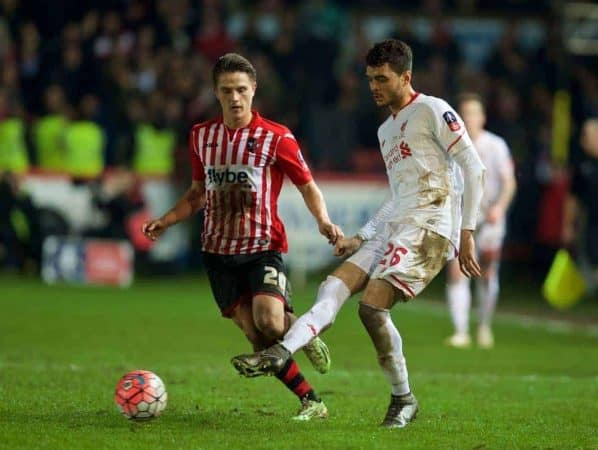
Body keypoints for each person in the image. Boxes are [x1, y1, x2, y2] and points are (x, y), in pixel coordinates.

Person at [231, 39, 486, 428]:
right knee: (332, 287)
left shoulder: (434, 110)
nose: (374, 86)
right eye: (370, 78)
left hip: (431, 227)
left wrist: (467, 230)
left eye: (382, 78)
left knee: (371, 307)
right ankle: (280, 352)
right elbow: (398, 196)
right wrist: (362, 236)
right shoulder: (387, 130)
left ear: (406, 77)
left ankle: (403, 399)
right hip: (398, 224)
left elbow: (474, 167)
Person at [142, 53, 343, 421]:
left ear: (253, 90)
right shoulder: (202, 136)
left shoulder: (276, 137)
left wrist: (324, 221)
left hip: (262, 247)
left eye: (241, 90)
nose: (234, 98)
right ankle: (312, 401)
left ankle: (305, 334)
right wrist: (167, 220)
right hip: (217, 252)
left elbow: (307, 185)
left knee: (269, 321)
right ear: (216, 93)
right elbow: (197, 192)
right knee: (257, 338)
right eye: (226, 90)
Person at [445, 93, 516, 349]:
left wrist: (499, 207)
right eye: (465, 114)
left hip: (490, 218)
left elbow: (509, 183)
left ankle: (484, 325)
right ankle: (461, 331)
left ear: (483, 117)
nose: (469, 119)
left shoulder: (496, 145)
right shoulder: (452, 147)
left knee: (486, 272)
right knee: (457, 271)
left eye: (474, 113)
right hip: (462, 219)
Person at [563, 118, 598, 287]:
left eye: (589, 135)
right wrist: (568, 225)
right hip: (592, 222)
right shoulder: (582, 165)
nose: (584, 140)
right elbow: (573, 198)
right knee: (593, 261)